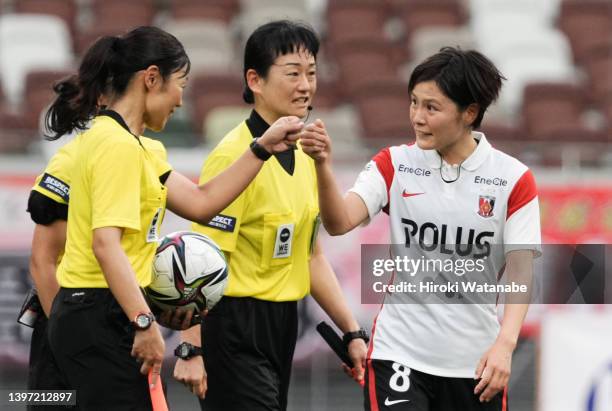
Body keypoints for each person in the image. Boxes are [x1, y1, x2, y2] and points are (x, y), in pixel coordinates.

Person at [44, 26, 302, 411]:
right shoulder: (116, 146)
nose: (181, 100)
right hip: (98, 312)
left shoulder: (142, 148)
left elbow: (201, 202)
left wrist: (262, 148)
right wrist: (144, 323)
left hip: (103, 311)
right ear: (151, 78)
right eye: (180, 83)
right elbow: (105, 244)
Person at [300, 47, 541, 411]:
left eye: (432, 107)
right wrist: (322, 166)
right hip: (400, 354)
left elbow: (521, 274)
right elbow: (338, 222)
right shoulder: (394, 163)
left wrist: (505, 346)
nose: (417, 117)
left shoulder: (513, 179)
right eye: (414, 103)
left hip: (475, 364)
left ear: (469, 113)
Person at [173, 20, 368, 410]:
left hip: (282, 325)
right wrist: (190, 349)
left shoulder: (304, 154)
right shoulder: (234, 156)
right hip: (232, 324)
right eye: (292, 73)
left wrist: (351, 331)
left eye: (311, 73)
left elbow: (310, 256)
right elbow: (200, 258)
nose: (305, 85)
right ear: (255, 80)